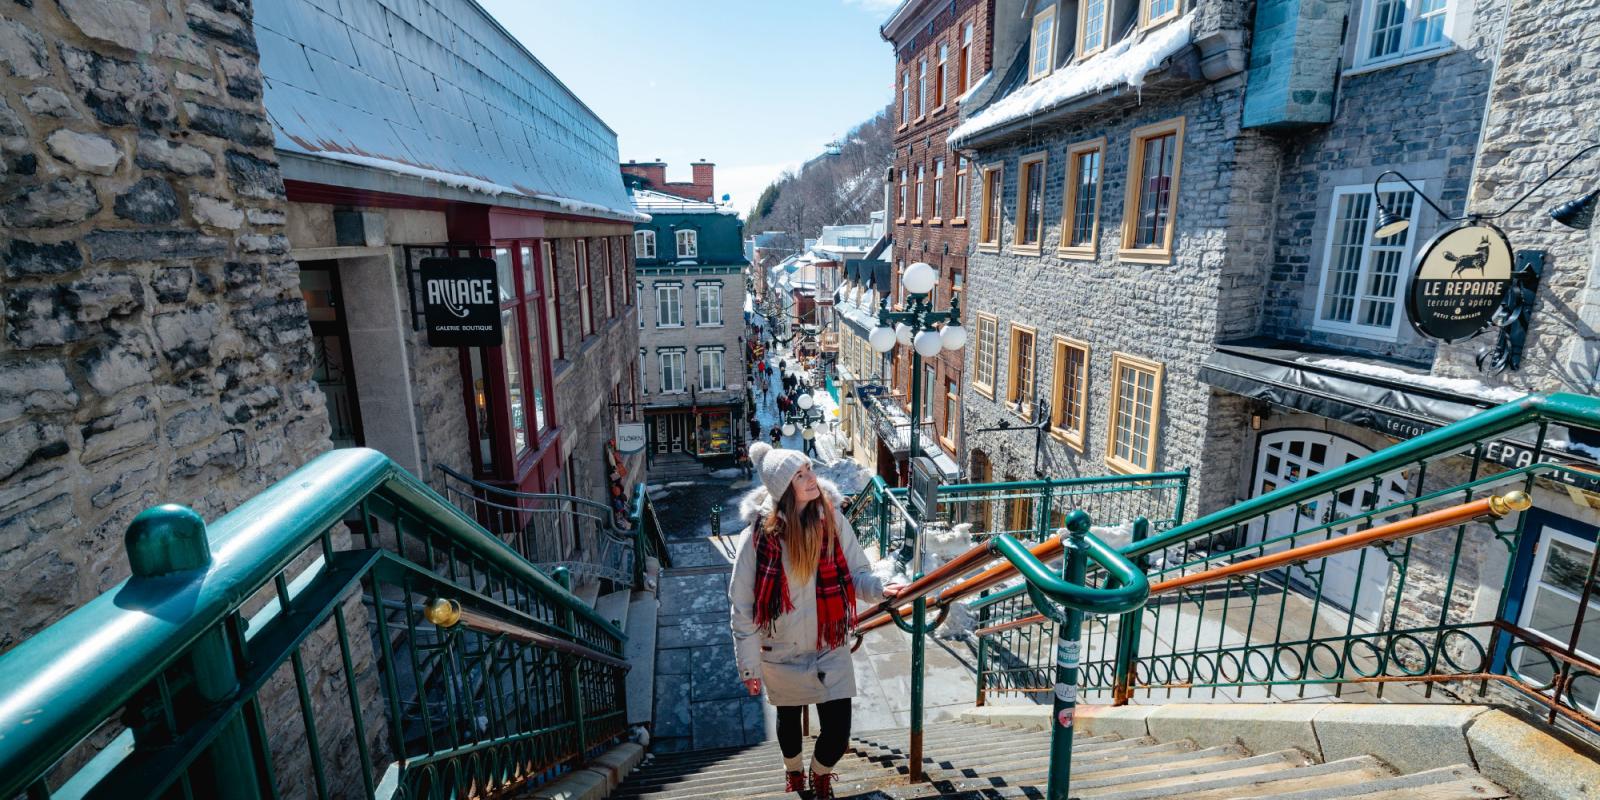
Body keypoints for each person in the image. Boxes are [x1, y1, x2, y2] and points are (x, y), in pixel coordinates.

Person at [729, 444, 905, 799]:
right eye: (800, 475)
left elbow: (857, 572)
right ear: (782, 488)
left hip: (829, 642)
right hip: (781, 647)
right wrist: (749, 668)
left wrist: (880, 589)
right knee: (789, 723)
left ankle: (819, 772)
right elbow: (742, 606)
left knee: (839, 731)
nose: (812, 478)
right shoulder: (758, 538)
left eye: (810, 469)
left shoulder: (832, 519)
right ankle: (793, 772)